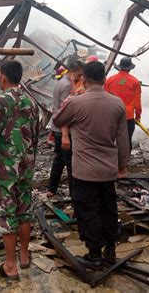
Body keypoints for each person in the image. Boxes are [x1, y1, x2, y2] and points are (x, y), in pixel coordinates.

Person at [54, 61, 129, 266]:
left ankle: (94, 253)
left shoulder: (76, 103)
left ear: (84, 79)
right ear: (104, 80)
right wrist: (122, 164)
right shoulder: (117, 103)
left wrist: (71, 98)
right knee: (108, 208)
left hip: (84, 171)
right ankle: (111, 249)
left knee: (88, 210)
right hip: (108, 169)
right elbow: (123, 139)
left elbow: (58, 120)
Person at [0, 60, 39, 280]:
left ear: (3, 76)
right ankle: (24, 257)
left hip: (5, 171)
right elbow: (34, 136)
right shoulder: (31, 102)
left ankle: (10, 266)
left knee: (7, 216)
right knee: (24, 212)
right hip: (25, 168)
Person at [46, 60, 83, 198]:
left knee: (59, 160)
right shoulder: (67, 85)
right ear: (73, 71)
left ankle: (51, 188)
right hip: (63, 130)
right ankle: (75, 195)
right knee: (70, 164)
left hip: (57, 128)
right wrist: (65, 135)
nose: (81, 76)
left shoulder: (61, 81)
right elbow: (64, 112)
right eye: (79, 73)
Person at [104, 56, 142, 151]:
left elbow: (104, 98)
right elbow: (137, 103)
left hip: (111, 116)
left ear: (120, 67)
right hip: (127, 118)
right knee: (126, 141)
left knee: (111, 141)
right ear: (130, 68)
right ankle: (124, 164)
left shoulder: (110, 80)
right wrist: (137, 117)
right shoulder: (135, 82)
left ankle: (111, 161)